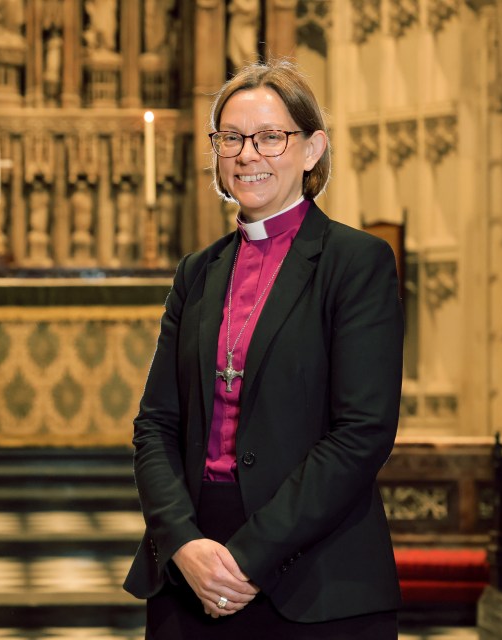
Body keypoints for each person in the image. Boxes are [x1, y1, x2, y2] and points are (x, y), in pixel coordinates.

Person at [123, 59, 405, 639]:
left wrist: (245, 558)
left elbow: (362, 432)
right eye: (231, 138)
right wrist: (183, 543)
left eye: (270, 137)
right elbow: (155, 426)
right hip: (193, 568)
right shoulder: (196, 273)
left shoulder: (356, 263)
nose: (247, 154)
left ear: (311, 149)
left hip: (314, 572)